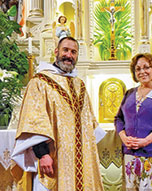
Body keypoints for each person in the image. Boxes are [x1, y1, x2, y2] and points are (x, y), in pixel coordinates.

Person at [11, 37, 105, 191]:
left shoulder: (79, 85)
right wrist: (43, 155)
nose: (69, 55)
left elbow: (89, 125)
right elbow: (33, 121)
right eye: (65, 50)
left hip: (80, 162)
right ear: (56, 52)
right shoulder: (40, 82)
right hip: (52, 160)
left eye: (73, 52)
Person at [115, 53, 152, 190]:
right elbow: (118, 118)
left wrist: (146, 140)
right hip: (130, 154)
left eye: (146, 67)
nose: (142, 72)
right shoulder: (129, 93)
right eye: (138, 69)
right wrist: (123, 137)